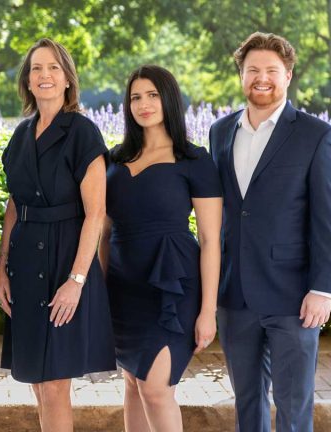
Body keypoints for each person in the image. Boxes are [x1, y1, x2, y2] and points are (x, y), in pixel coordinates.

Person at [209, 32, 331, 432]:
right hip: (235, 295)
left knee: (293, 403)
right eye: (252, 70)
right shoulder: (219, 133)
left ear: (288, 76)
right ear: (241, 76)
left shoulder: (316, 136)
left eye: (271, 70)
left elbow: (328, 219)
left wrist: (323, 288)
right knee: (246, 401)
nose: (261, 78)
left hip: (294, 296)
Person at [0, 38, 116, 432]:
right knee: (35, 379)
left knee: (54, 384)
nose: (44, 75)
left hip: (67, 261)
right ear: (27, 82)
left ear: (67, 78)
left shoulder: (82, 131)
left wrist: (77, 280)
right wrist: (2, 269)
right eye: (36, 69)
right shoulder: (20, 135)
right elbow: (15, 205)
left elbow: (95, 213)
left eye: (52, 68)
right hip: (26, 263)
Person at [99, 65, 223, 431]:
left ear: (168, 99)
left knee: (155, 388)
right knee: (133, 383)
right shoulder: (114, 160)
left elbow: (212, 240)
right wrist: (98, 293)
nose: (144, 104)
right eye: (135, 97)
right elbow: (102, 233)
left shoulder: (195, 160)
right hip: (122, 288)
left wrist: (208, 311)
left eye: (152, 95)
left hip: (173, 285)